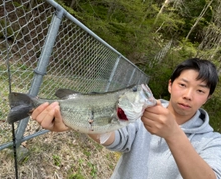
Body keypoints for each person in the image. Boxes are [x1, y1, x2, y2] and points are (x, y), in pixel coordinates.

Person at [31, 58, 221, 179]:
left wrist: (174, 135)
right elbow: (114, 137)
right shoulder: (140, 113)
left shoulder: (212, 141)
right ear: (171, 85)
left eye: (200, 90)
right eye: (183, 84)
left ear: (207, 97)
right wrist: (77, 122)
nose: (188, 95)